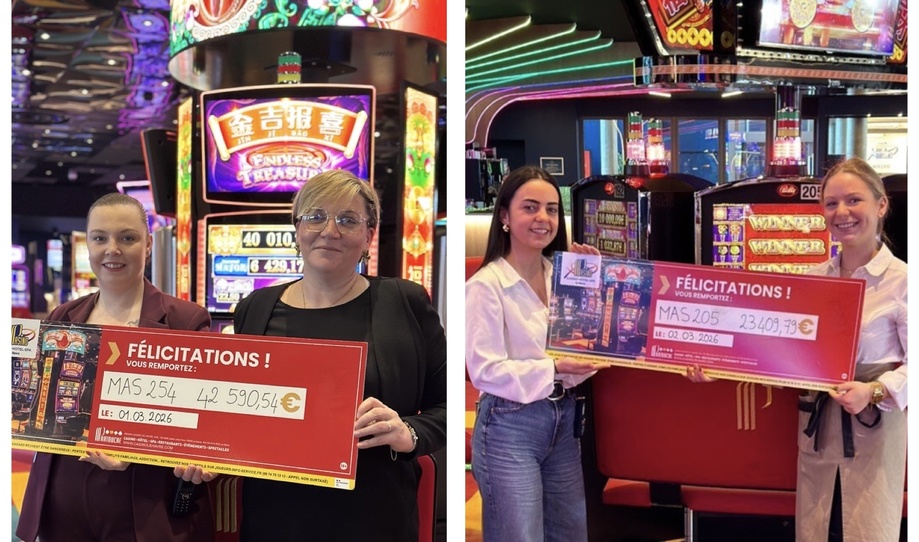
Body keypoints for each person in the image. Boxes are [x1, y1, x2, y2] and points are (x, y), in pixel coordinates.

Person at [687, 157, 907, 541]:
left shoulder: (904, 281)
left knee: (866, 528)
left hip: (874, 428)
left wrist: (874, 390)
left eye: (854, 200)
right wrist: (718, 363)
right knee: (817, 527)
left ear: (881, 204)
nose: (842, 213)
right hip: (816, 429)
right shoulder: (812, 279)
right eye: (831, 203)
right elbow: (771, 348)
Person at [231, 170, 446, 541]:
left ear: (369, 236)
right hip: (275, 515)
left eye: (348, 220)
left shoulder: (404, 302)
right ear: (297, 229)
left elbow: (445, 404)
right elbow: (237, 412)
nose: (329, 230)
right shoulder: (254, 308)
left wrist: (407, 432)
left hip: (374, 515)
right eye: (315, 216)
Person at [17, 193, 216, 542]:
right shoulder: (63, 317)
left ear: (148, 244)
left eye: (127, 237)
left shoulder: (186, 320)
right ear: (88, 244)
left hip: (145, 502)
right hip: (63, 499)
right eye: (100, 238)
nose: (113, 249)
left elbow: (200, 420)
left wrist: (136, 449)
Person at [465, 165, 612, 542]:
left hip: (564, 418)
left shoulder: (561, 276)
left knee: (569, 534)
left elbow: (585, 354)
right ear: (504, 217)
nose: (542, 219)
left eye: (550, 209)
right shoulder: (486, 285)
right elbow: (485, 370)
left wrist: (591, 287)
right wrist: (556, 366)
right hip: (508, 423)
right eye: (529, 208)